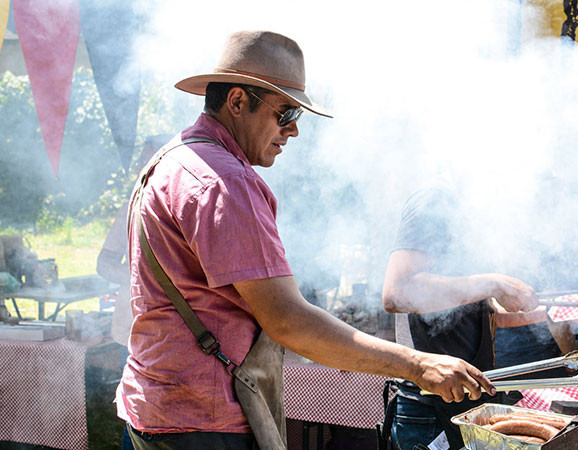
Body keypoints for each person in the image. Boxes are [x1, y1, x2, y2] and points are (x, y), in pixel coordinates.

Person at [116, 31, 497, 450]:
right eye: (284, 112)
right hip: (203, 421)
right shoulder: (227, 181)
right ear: (238, 102)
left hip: (154, 407)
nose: (293, 130)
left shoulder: (170, 160)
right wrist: (418, 364)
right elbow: (288, 321)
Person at [381, 177, 570, 450]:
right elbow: (397, 292)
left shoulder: (468, 210)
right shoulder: (432, 199)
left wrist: (552, 312)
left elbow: (468, 316)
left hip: (468, 400)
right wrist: (493, 283)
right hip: (430, 409)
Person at [96, 135, 169, 450]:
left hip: (171, 331)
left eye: (148, 159)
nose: (141, 167)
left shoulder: (186, 203)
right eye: (141, 160)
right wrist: (137, 276)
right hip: (134, 327)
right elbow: (104, 263)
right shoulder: (133, 204)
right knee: (139, 412)